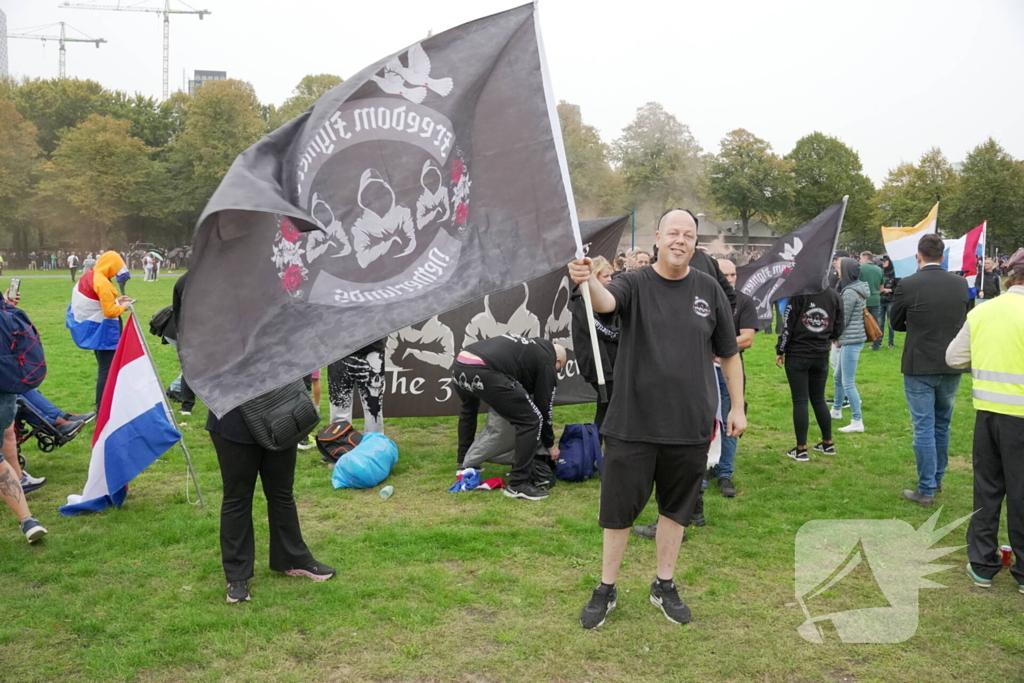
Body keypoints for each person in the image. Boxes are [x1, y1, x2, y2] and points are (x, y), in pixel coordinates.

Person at [569, 209, 745, 629]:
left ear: (694, 242)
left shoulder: (708, 289)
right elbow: (607, 302)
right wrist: (588, 279)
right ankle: (606, 587)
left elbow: (729, 353)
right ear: (658, 238)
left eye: (688, 234)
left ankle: (664, 584)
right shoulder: (635, 282)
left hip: (689, 424)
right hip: (633, 422)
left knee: (675, 510)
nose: (680, 240)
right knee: (618, 512)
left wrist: (736, 406)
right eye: (673, 233)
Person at [946, 248, 1024, 593]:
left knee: (988, 490)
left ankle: (982, 563)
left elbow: (954, 357)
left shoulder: (985, 309)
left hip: (989, 413)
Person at [207, 402, 335, 603]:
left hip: (279, 417)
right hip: (234, 421)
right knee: (237, 498)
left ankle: (294, 558)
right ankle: (237, 576)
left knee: (282, 494)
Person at [890, 234, 970, 508]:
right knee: (941, 424)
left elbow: (895, 321)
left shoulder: (909, 284)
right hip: (950, 362)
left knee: (925, 426)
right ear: (943, 256)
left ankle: (927, 488)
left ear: (918, 256)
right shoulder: (960, 284)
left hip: (920, 363)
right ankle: (934, 479)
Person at [451, 335, 566, 501]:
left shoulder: (531, 346)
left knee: (469, 409)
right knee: (531, 420)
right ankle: (518, 485)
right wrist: (549, 444)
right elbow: (544, 407)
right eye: (558, 369)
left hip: (460, 363)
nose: (555, 373)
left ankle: (463, 464)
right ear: (558, 360)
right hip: (482, 369)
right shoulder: (548, 361)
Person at [775, 286, 845, 461]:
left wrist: (780, 349)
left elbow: (788, 325)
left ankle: (801, 448)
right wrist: (826, 339)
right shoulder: (834, 295)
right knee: (818, 398)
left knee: (800, 401)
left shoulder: (799, 294)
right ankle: (828, 443)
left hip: (798, 354)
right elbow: (839, 326)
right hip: (821, 353)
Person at [708, 258, 758, 495]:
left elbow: (747, 338)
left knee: (731, 419)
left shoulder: (744, 301)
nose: (729, 280)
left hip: (729, 371)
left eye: (733, 275)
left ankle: (725, 472)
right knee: (702, 421)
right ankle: (701, 469)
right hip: (701, 370)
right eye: (724, 275)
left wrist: (716, 347)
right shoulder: (702, 298)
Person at [66, 251, 133, 408]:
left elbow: (99, 300)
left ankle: (107, 403)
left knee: (105, 367)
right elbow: (109, 311)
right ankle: (102, 407)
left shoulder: (91, 274)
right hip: (104, 331)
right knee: (106, 369)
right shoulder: (103, 282)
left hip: (96, 330)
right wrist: (123, 307)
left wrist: (116, 300)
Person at [569, 255, 618, 437]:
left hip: (608, 362)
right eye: (606, 276)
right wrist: (619, 334)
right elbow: (596, 327)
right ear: (595, 276)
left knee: (606, 405)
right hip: (598, 363)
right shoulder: (583, 298)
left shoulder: (602, 298)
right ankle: (598, 446)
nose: (610, 280)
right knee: (609, 406)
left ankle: (597, 448)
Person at [831, 258, 869, 433]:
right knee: (838, 377)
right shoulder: (856, 289)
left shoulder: (850, 292)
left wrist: (834, 336)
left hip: (851, 340)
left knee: (847, 382)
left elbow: (842, 319)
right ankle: (836, 410)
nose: (837, 270)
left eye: (840, 268)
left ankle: (857, 420)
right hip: (852, 338)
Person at [327, 340, 387, 433]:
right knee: (339, 407)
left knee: (374, 410)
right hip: (339, 351)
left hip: (371, 349)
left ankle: (374, 443)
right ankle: (339, 443)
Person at [859, 251, 884, 351]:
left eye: (860, 258)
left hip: (862, 299)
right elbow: (881, 287)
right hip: (875, 299)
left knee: (860, 323)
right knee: (875, 323)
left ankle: (860, 343)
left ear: (865, 258)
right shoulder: (879, 269)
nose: (859, 260)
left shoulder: (860, 268)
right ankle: (876, 344)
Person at [877, 255, 898, 349]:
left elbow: (898, 288)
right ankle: (878, 342)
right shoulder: (880, 272)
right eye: (883, 261)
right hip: (881, 299)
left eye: (885, 261)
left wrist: (890, 290)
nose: (883, 263)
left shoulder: (895, 274)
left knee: (890, 323)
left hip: (891, 300)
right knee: (880, 322)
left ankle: (891, 342)